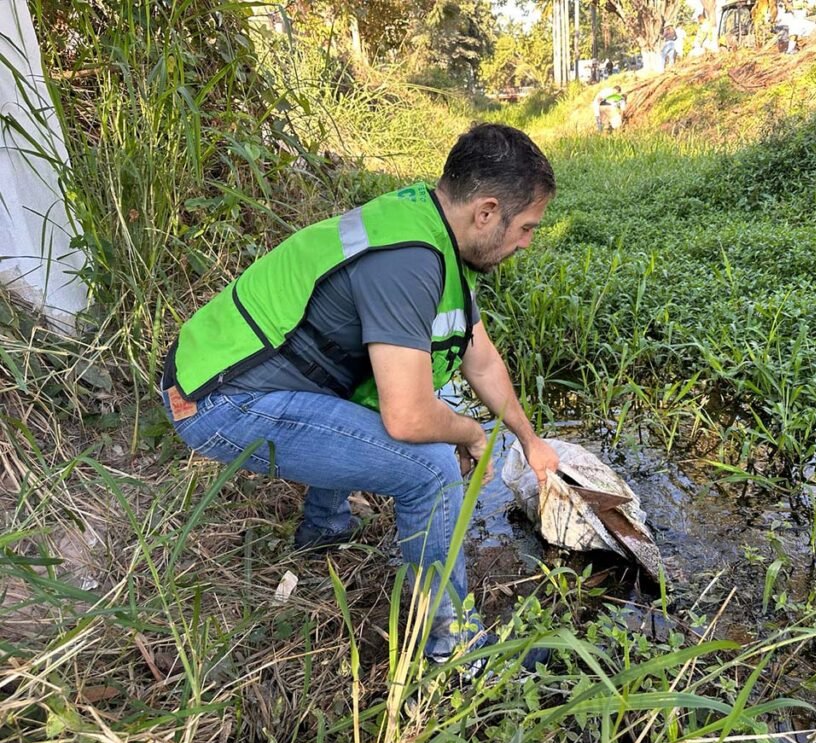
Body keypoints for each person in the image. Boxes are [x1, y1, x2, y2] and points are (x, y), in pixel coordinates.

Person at [159, 123, 561, 669]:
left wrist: (529, 440)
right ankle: (455, 647)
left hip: (239, 375)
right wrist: (471, 434)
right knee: (430, 467)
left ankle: (322, 531)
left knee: (369, 407)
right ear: (487, 212)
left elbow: (480, 357)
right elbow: (409, 415)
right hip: (220, 399)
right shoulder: (408, 260)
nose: (527, 243)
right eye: (527, 228)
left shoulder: (431, 227)